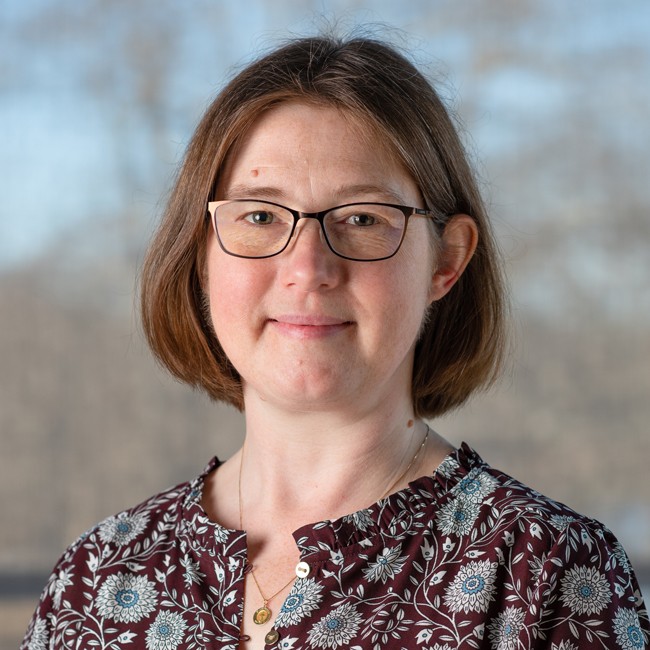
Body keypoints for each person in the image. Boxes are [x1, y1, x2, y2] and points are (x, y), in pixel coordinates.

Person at [22, 35, 648, 650]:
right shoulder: (96, 579)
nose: (308, 267)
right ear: (202, 255)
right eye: (261, 215)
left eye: (363, 219)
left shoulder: (547, 576)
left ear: (445, 262)